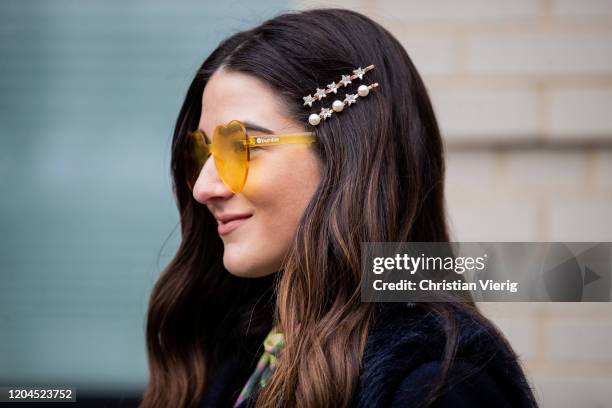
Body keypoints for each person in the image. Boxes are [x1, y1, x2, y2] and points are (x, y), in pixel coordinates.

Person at [140, 8, 538, 408]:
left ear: (346, 155)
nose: (204, 188)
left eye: (239, 147)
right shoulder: (242, 347)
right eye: (203, 152)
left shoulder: (437, 383)